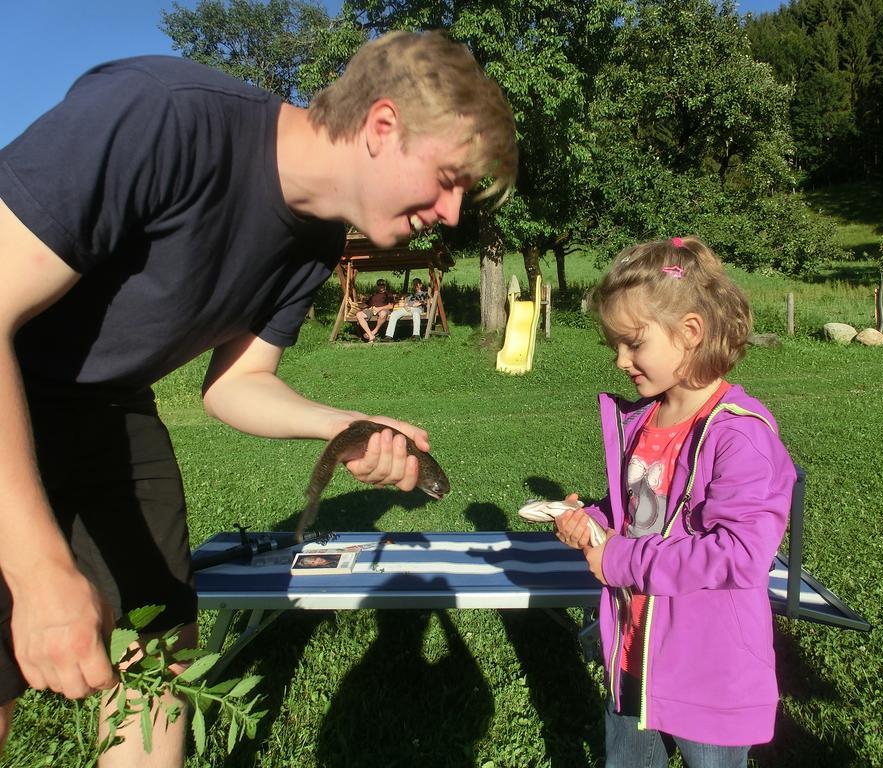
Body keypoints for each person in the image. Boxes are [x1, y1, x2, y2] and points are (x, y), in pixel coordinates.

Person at [0, 29, 516, 766]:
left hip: (107, 406)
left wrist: (347, 426)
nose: (453, 213)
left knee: (158, 666)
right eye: (449, 178)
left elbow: (236, 384)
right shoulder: (163, 117)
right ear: (381, 125)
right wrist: (37, 569)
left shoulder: (314, 240)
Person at [553, 237, 796, 768]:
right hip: (633, 650)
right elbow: (642, 512)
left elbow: (738, 553)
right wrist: (593, 522)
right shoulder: (642, 421)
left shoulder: (739, 437)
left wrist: (619, 558)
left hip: (709, 670)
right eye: (613, 347)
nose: (620, 361)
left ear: (690, 332)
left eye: (633, 343)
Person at [381, 276, 430, 341]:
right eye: (414, 284)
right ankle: (389, 336)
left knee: (415, 313)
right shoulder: (410, 295)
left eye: (417, 284)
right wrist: (406, 306)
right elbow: (406, 303)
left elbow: (429, 301)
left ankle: (416, 335)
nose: (416, 286)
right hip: (408, 309)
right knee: (394, 314)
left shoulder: (425, 294)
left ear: (421, 285)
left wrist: (421, 303)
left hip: (417, 309)